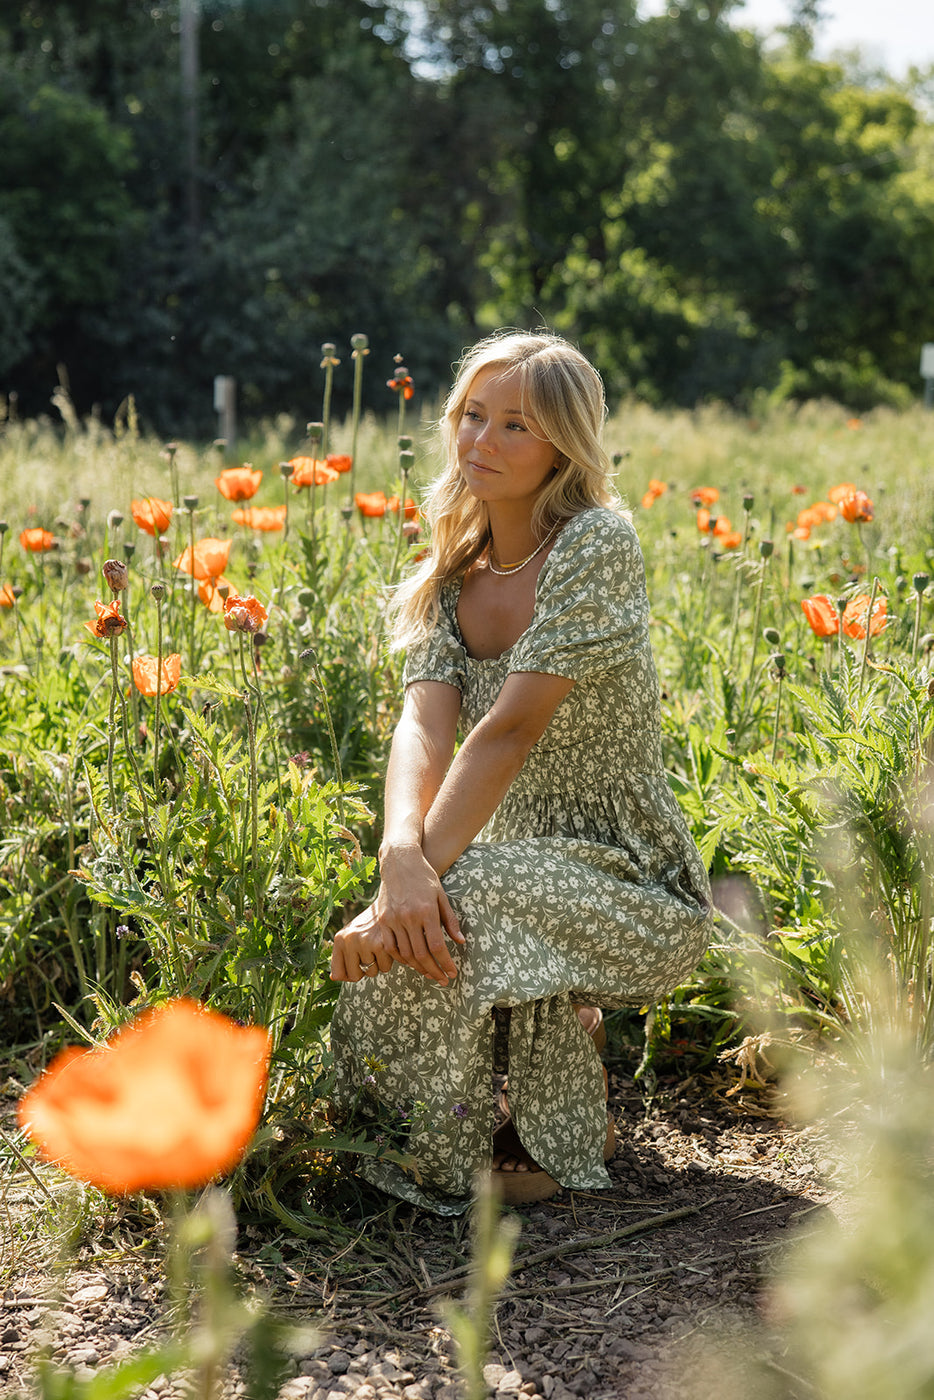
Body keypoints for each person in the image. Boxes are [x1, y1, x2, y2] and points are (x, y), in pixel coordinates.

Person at [329, 329, 711, 1214]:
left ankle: (538, 1127)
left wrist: (408, 893)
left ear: (563, 446)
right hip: (502, 862)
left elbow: (505, 732)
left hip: (632, 883)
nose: (481, 442)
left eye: (515, 426)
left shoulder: (595, 544)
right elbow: (422, 725)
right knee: (442, 895)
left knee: (462, 897)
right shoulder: (449, 570)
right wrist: (398, 860)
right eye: (472, 416)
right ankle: (407, 1130)